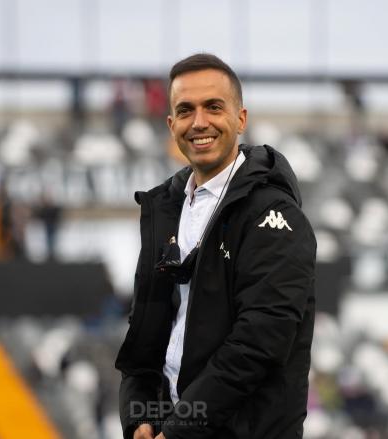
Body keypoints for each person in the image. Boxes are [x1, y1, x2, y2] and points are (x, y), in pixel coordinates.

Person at [115, 53, 316, 439]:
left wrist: (177, 429)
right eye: (186, 111)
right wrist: (140, 416)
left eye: (213, 107)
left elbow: (258, 345)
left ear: (241, 118)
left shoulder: (273, 212)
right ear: (172, 124)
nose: (200, 122)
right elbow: (147, 331)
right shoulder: (166, 207)